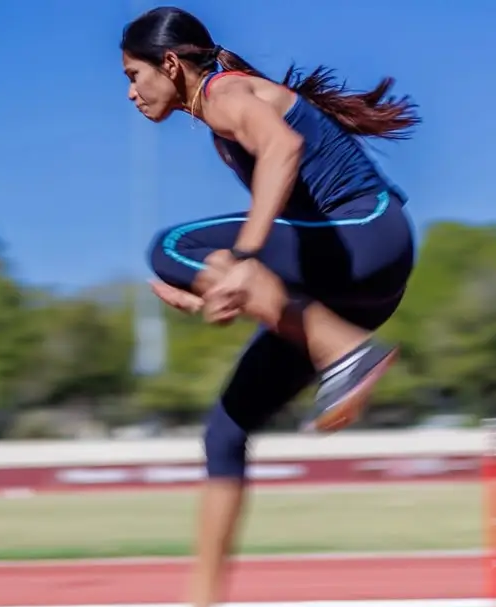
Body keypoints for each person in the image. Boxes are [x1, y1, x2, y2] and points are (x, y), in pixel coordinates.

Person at [120, 6, 419, 607]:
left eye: (134, 75)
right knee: (224, 431)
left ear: (171, 65)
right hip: (359, 286)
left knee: (171, 245)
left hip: (363, 235)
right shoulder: (220, 117)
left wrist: (247, 255)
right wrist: (206, 286)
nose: (131, 92)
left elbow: (283, 147)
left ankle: (342, 352)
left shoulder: (224, 94)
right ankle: (202, 599)